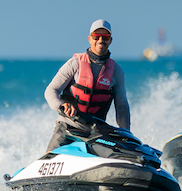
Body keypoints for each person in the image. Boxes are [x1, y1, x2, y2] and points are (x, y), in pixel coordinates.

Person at [44, 19, 130, 152]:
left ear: (110, 40)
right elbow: (51, 90)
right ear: (90, 39)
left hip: (96, 132)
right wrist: (60, 105)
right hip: (68, 126)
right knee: (51, 155)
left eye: (105, 37)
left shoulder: (116, 71)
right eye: (96, 36)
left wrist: (126, 134)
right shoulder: (74, 64)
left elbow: (122, 106)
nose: (101, 40)